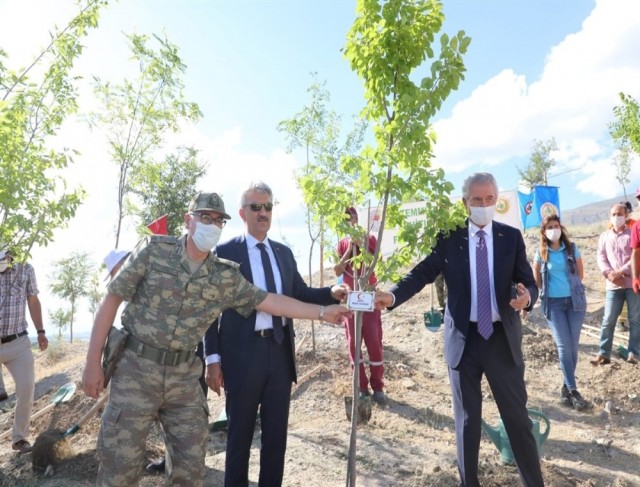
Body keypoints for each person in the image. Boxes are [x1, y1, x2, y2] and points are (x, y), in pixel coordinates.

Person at [81, 191, 350, 486]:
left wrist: (323, 311)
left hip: (183, 379)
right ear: (188, 220)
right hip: (136, 371)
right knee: (119, 469)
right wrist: (92, 362)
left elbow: (271, 301)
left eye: (218, 220)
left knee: (190, 469)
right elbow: (111, 300)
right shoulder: (154, 251)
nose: (212, 224)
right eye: (205, 217)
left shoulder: (224, 277)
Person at [374, 172, 544, 487]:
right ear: (465, 202)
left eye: (490, 199)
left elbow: (529, 282)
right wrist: (393, 295)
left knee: (518, 422)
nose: (484, 205)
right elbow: (422, 272)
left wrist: (527, 297)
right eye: (477, 200)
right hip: (464, 341)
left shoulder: (510, 238)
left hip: (501, 341)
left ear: (496, 200)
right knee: (467, 424)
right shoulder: (450, 237)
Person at [203, 181, 349, 487]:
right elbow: (210, 310)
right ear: (243, 213)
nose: (263, 213)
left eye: (268, 206)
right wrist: (212, 359)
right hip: (241, 357)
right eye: (256, 207)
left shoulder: (283, 253)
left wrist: (330, 293)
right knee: (239, 439)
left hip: (280, 353)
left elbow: (299, 293)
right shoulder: (224, 252)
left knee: (275, 440)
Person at [532, 215, 588, 410]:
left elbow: (580, 274)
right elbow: (537, 279)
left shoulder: (571, 248)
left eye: (556, 226)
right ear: (544, 231)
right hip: (553, 304)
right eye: (550, 227)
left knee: (573, 346)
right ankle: (573, 389)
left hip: (575, 302)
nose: (554, 229)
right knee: (564, 346)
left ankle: (565, 387)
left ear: (561, 228)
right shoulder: (541, 252)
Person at [334, 206, 386, 404]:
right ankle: (362, 387)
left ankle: (378, 387)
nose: (350, 220)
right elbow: (338, 270)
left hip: (369, 299)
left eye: (352, 216)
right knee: (354, 346)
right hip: (350, 302)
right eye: (345, 217)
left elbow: (377, 262)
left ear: (357, 218)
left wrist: (362, 246)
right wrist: (349, 249)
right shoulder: (341, 244)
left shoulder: (371, 239)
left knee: (374, 342)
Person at [0, 247, 48, 454]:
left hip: (18, 341)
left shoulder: (26, 269)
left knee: (26, 389)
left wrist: (41, 331)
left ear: (10, 254)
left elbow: (33, 300)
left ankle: (20, 438)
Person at [590, 203, 640, 365]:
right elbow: (601, 257)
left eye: (619, 214)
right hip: (613, 285)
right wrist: (609, 273)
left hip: (631, 283)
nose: (616, 217)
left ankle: (634, 352)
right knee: (608, 319)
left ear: (626, 216)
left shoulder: (632, 233)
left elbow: (636, 256)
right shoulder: (604, 236)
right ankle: (604, 353)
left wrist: (621, 272)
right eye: (613, 214)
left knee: (635, 319)